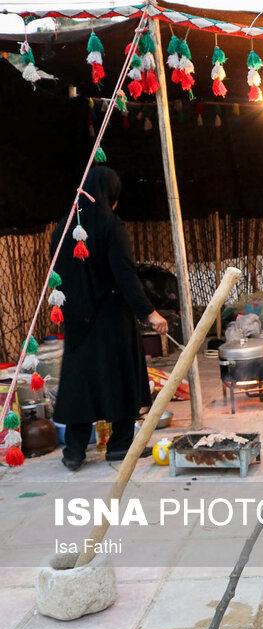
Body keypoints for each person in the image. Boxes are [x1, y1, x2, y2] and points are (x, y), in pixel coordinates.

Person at [50, 167, 167, 471]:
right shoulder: (110, 226)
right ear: (109, 195)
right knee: (121, 375)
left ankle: (74, 452)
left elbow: (58, 278)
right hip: (112, 318)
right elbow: (125, 275)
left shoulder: (62, 229)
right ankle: (119, 445)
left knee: (81, 380)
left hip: (77, 319)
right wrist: (149, 313)